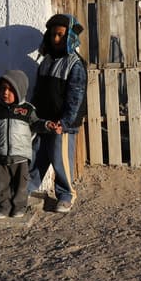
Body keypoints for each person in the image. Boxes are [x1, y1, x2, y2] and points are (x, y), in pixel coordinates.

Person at [28, 13, 87, 213]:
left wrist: (66, 122)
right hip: (44, 121)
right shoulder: (46, 61)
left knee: (60, 159)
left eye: (61, 35)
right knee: (37, 155)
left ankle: (66, 194)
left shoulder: (75, 64)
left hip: (62, 124)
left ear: (70, 37)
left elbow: (76, 97)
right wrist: (34, 117)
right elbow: (37, 92)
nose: (56, 39)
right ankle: (26, 188)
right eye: (53, 34)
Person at [0, 70, 38, 218]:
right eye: (2, 88)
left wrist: (49, 126)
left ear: (20, 90)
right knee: (1, 184)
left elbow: (37, 125)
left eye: (11, 89)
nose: (5, 92)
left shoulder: (27, 110)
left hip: (21, 156)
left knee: (21, 185)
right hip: (1, 155)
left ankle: (19, 207)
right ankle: (3, 207)